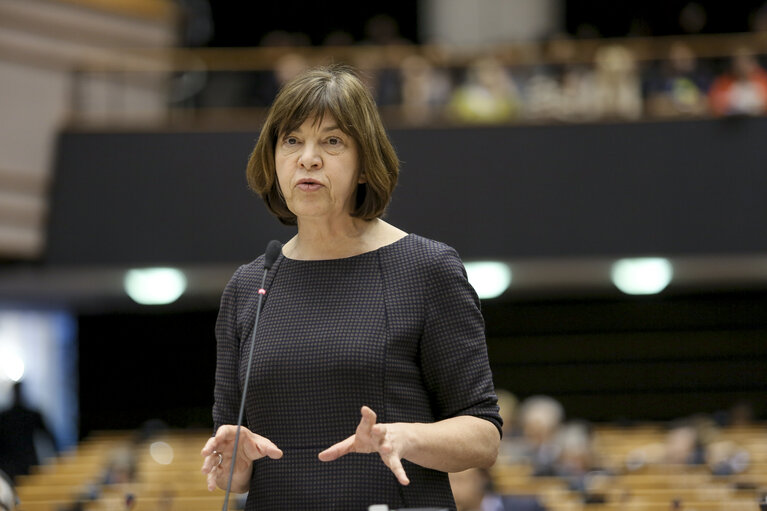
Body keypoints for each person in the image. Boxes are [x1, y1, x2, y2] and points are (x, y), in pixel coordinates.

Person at [200, 64, 502, 510]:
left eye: (332, 141)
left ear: (364, 165)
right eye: (291, 141)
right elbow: (234, 470)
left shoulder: (426, 269)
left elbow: (484, 437)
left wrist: (404, 436)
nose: (308, 158)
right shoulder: (249, 287)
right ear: (273, 159)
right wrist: (235, 463)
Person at [0, 382, 57, 479]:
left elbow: (50, 437)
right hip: (16, 466)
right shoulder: (6, 416)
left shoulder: (6, 416)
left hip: (23, 466)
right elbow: (50, 437)